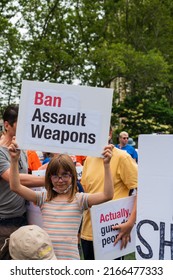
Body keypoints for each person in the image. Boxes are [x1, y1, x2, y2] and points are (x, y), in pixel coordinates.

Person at [9, 138, 114, 260]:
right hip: (47, 260)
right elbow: (15, 186)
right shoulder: (44, 198)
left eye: (65, 175)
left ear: (72, 176)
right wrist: (14, 160)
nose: (60, 180)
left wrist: (106, 165)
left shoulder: (79, 199)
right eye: (55, 176)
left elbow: (107, 195)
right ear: (49, 177)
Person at [80, 127, 138, 260]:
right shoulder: (89, 159)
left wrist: (130, 223)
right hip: (88, 232)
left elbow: (143, 190)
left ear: (110, 134)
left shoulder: (123, 157)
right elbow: (86, 192)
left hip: (112, 233)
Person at [0, 105, 45, 259]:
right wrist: (48, 179)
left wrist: (51, 168)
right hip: (4, 223)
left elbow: (27, 173)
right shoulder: (0, 152)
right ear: (7, 125)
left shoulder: (21, 148)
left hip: (23, 218)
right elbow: (17, 179)